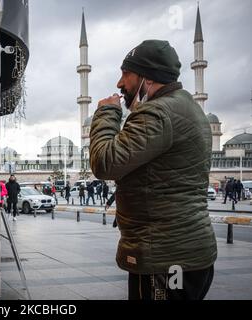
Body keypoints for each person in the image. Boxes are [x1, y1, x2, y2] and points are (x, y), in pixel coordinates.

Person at [89, 40, 217, 300]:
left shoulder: (157, 113)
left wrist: (106, 113)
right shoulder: (188, 108)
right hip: (184, 254)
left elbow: (105, 162)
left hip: (165, 259)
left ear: (146, 78)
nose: (119, 83)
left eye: (126, 73)